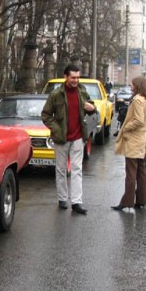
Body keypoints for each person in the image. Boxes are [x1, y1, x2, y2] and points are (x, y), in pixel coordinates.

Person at [41, 63, 97, 214]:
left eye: (78, 78)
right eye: (73, 77)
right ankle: (62, 198)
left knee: (77, 170)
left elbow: (90, 107)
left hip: (78, 137)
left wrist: (93, 109)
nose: (76, 80)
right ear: (65, 77)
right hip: (61, 138)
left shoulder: (82, 91)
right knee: (61, 169)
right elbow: (45, 115)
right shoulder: (56, 94)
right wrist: (57, 130)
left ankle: (77, 202)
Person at [111, 76, 146, 211]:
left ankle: (127, 201)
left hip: (133, 140)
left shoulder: (137, 100)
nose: (131, 87)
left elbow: (139, 120)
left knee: (131, 172)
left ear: (138, 86)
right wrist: (141, 128)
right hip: (142, 139)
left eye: (132, 85)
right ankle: (141, 200)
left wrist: (126, 128)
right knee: (141, 172)